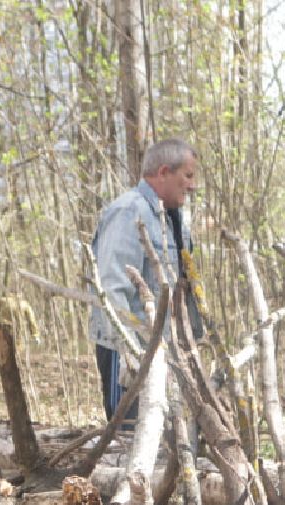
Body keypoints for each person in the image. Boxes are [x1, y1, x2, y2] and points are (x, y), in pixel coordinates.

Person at [89, 138, 205, 419]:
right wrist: (131, 356)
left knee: (168, 440)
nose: (193, 185)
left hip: (168, 349)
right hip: (131, 351)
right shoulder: (129, 211)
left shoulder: (172, 219)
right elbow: (111, 289)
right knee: (129, 439)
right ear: (164, 172)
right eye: (187, 176)